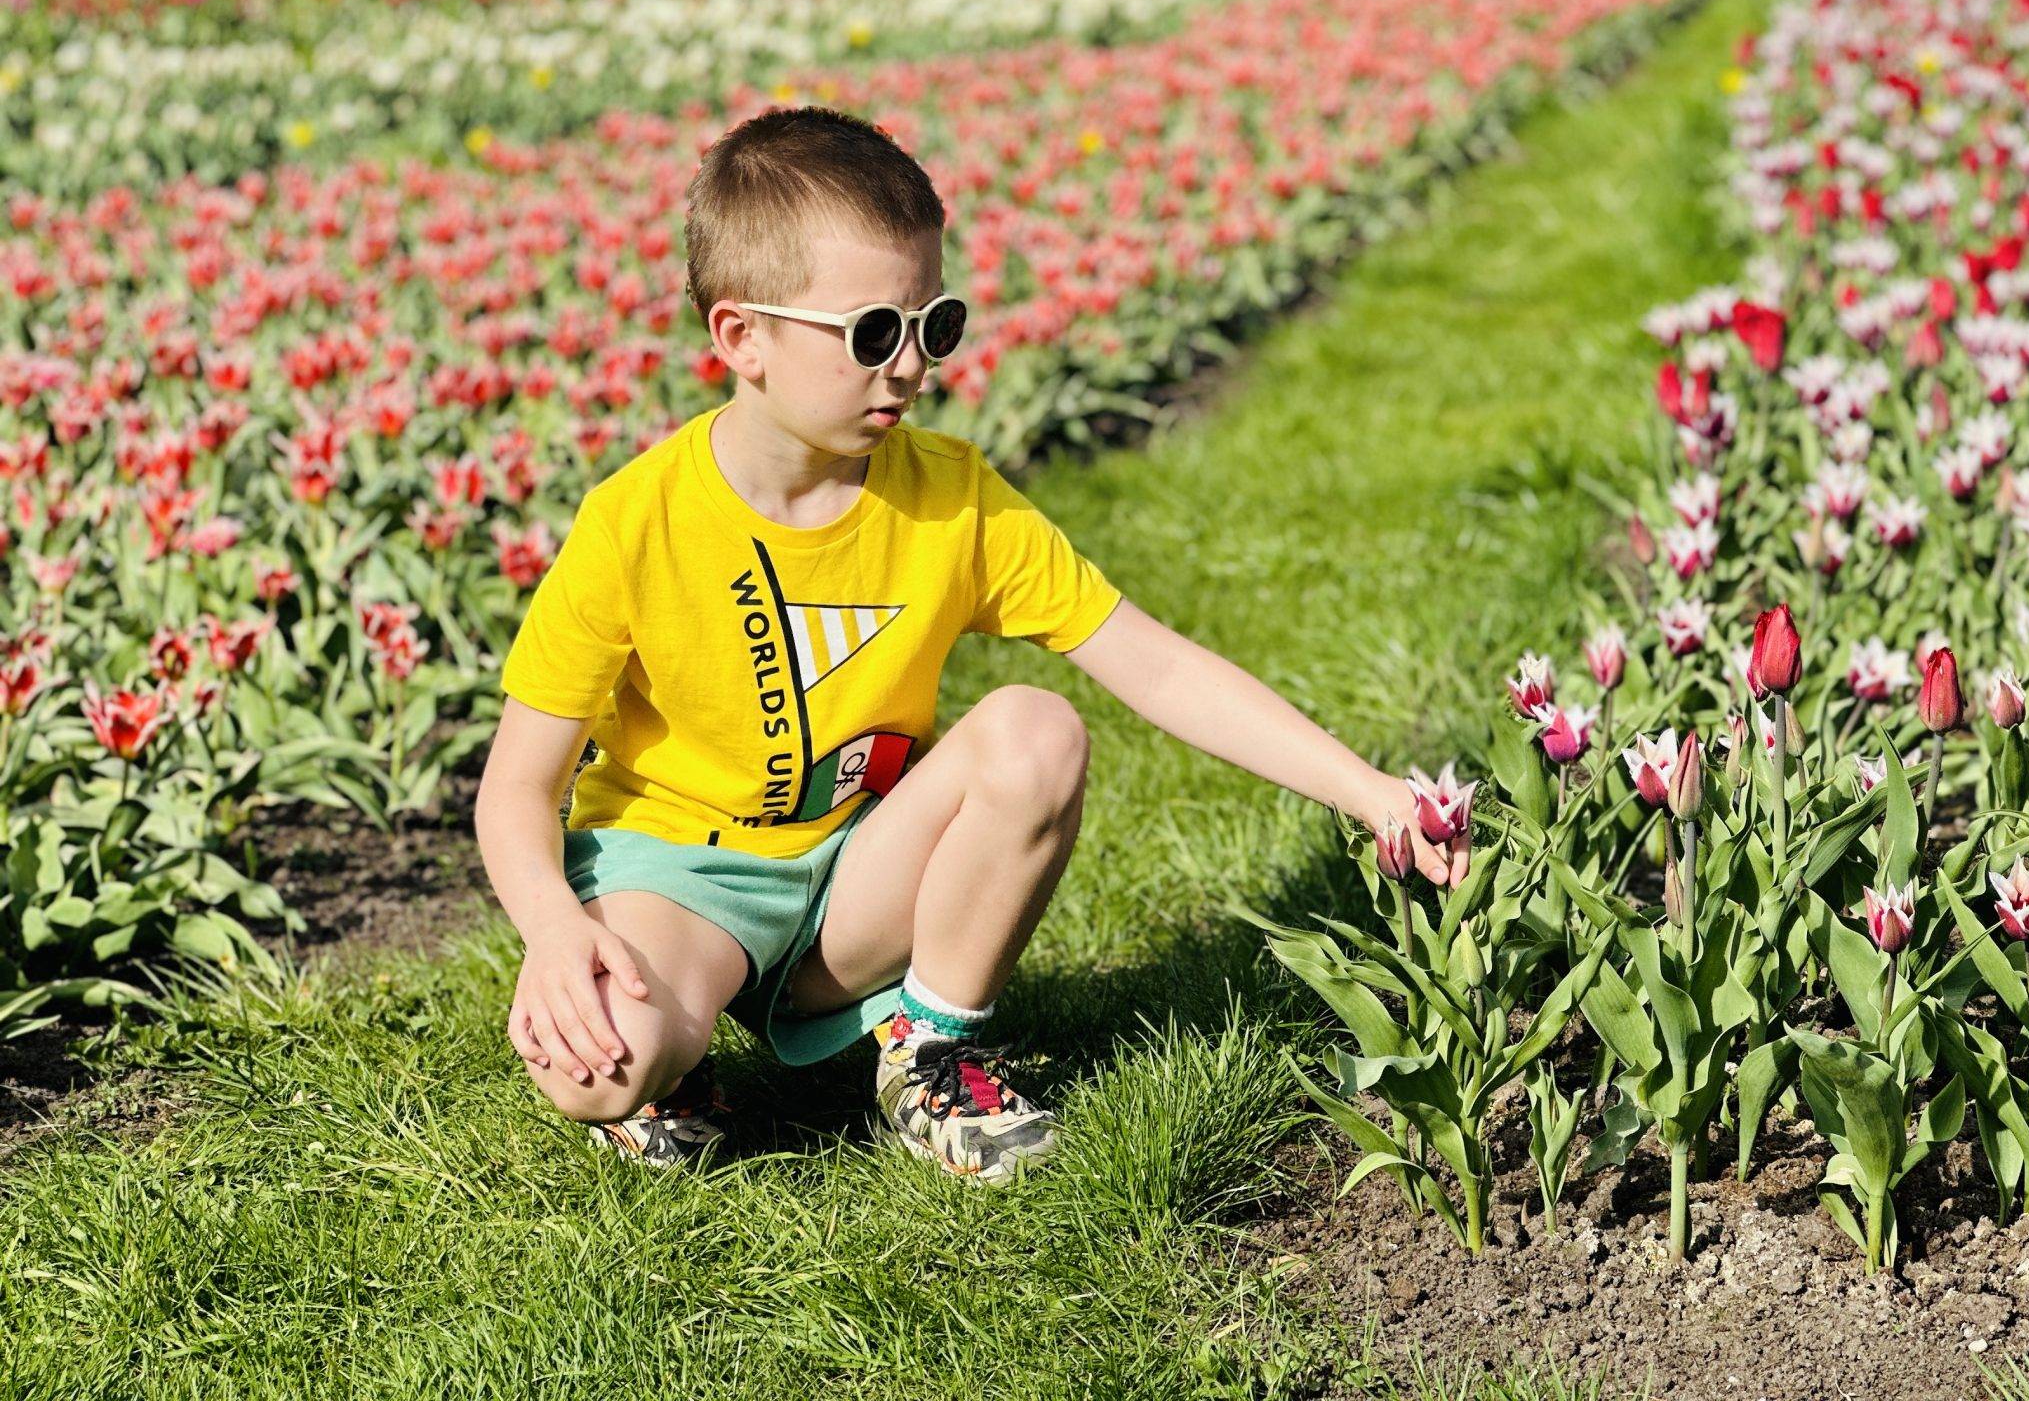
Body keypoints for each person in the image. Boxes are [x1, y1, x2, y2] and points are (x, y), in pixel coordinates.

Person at [477, 106, 1468, 1178]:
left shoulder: (951, 502)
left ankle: (932, 1051)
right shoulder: (636, 523)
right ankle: (669, 1071)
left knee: (1034, 730)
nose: (908, 368)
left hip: (858, 871)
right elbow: (515, 791)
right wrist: (554, 932)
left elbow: (1154, 662)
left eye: (932, 326)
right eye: (870, 334)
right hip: (681, 877)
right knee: (594, 1065)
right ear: (740, 337)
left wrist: (1368, 793)